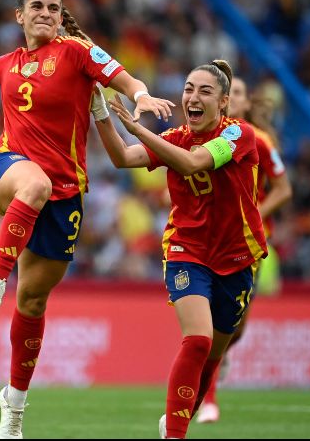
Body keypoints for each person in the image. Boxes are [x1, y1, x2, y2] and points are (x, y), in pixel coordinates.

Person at [0, 0, 174, 439]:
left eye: (53, 8)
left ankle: (13, 406)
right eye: (36, 6)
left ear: (60, 17)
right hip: (8, 166)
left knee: (33, 302)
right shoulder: (9, 63)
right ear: (20, 15)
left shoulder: (76, 52)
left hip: (66, 194)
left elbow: (123, 77)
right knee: (33, 184)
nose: (45, 13)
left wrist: (142, 97)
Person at [93, 59, 267, 439]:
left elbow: (191, 164)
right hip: (187, 251)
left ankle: (175, 421)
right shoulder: (175, 137)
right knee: (199, 339)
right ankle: (175, 434)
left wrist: (138, 129)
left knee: (211, 359)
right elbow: (123, 158)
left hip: (236, 258)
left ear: (223, 102)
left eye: (205, 91)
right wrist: (100, 111)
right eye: (189, 89)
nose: (193, 97)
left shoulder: (238, 134)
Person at [196, 76, 292, 424]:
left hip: (247, 246)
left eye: (238, 92)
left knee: (234, 329)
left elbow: (283, 189)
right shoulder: (204, 138)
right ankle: (208, 401)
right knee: (206, 324)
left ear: (246, 102)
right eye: (228, 92)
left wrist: (253, 216)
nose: (232, 98)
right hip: (207, 244)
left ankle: (219, 360)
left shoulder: (259, 140)